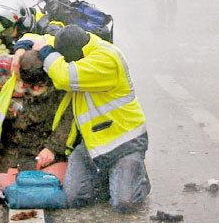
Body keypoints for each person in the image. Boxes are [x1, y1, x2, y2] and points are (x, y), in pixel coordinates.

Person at [15, 25, 149, 212]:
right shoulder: (74, 44)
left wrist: (46, 52)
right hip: (92, 145)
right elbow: (38, 38)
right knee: (74, 198)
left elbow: (64, 76)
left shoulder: (107, 59)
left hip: (124, 142)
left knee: (124, 203)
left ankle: (137, 177)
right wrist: (21, 48)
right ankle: (109, 176)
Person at [0, 49, 73, 190]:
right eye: (30, 85)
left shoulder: (61, 80)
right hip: (11, 150)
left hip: (45, 147)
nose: (36, 88)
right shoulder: (6, 71)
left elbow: (68, 120)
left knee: (51, 188)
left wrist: (53, 148)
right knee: (12, 189)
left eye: (41, 85)